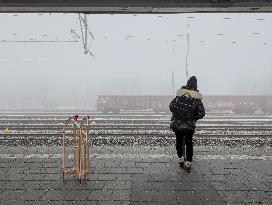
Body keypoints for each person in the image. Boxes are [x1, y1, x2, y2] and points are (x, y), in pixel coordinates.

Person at [169, 76, 205, 171]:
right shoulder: (196, 98)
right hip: (189, 126)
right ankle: (188, 162)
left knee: (179, 141)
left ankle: (181, 158)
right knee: (189, 143)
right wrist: (193, 118)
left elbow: (171, 107)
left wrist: (178, 115)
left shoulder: (180, 95)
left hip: (177, 123)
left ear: (187, 84)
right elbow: (202, 113)